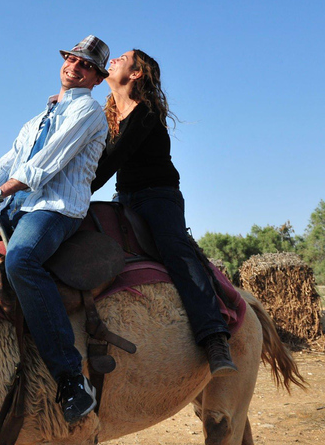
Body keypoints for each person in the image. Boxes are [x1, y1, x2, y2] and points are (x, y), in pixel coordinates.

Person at [0, 35, 110, 424]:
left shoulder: (90, 113)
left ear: (96, 79)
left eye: (86, 66)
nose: (74, 67)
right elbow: (9, 160)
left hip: (55, 208)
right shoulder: (37, 119)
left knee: (22, 260)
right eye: (71, 59)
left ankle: (70, 379)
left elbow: (45, 164)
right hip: (15, 204)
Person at [90, 49, 237, 376]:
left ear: (137, 73)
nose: (113, 59)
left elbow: (111, 161)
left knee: (175, 251)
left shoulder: (145, 113)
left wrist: (77, 193)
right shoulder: (107, 120)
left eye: (122, 57)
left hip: (157, 197)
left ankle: (214, 336)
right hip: (123, 198)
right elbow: (92, 158)